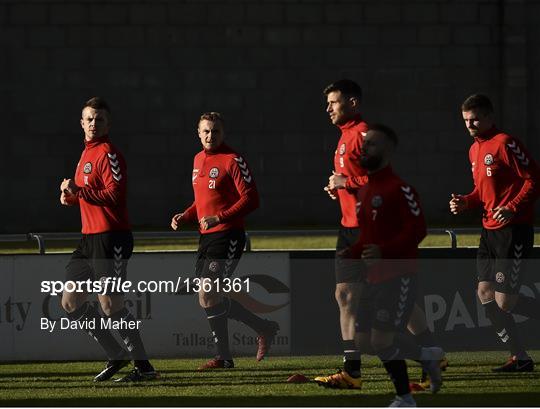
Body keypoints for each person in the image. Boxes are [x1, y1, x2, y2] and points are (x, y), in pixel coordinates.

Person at [315, 80, 444, 390]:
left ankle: (429, 353)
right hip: (348, 228)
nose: (328, 108)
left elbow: (378, 180)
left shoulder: (364, 134)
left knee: (381, 296)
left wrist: (346, 182)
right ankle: (353, 371)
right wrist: (339, 188)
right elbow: (357, 183)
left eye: (334, 102)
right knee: (345, 295)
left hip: (369, 230)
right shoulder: (344, 136)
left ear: (353, 103)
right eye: (328, 103)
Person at [59, 97, 158, 382]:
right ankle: (116, 354)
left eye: (99, 119)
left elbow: (116, 196)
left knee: (110, 304)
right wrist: (71, 198)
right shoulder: (84, 155)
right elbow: (88, 196)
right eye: (89, 119)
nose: (93, 123)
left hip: (111, 238)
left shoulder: (109, 153)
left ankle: (144, 368)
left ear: (108, 124)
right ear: (81, 123)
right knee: (70, 302)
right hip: (88, 239)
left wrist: (79, 190)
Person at [170, 112, 279, 369]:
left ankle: (223, 356)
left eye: (215, 131)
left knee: (209, 292)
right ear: (198, 133)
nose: (210, 136)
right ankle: (262, 328)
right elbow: (203, 199)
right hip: (206, 237)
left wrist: (220, 218)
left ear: (223, 133)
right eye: (206, 131)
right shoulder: (198, 159)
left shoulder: (233, 160)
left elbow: (251, 199)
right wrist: (185, 215)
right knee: (208, 297)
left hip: (228, 234)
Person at [350, 124, 443, 407]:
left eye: (373, 144)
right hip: (372, 277)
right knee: (363, 342)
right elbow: (367, 237)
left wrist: (384, 250)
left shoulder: (400, 189)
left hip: (398, 275)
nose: (365, 149)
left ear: (388, 150)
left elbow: (418, 230)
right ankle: (426, 355)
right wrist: (350, 254)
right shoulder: (365, 189)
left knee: (381, 341)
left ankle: (405, 397)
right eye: (364, 144)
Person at [450, 94, 540, 372]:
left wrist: (513, 207)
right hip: (488, 232)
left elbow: (534, 178)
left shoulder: (504, 143)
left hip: (513, 231)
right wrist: (467, 200)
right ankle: (520, 358)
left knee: (505, 301)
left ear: (490, 116)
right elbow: (484, 192)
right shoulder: (474, 150)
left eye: (475, 118)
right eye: (466, 120)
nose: (470, 124)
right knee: (485, 293)